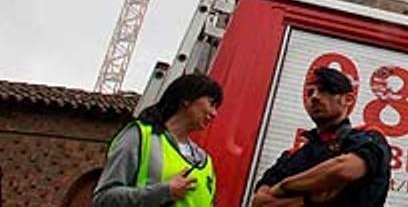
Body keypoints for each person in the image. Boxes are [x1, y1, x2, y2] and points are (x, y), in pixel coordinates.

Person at [252, 67, 391, 206]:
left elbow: (341, 170)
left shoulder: (370, 138)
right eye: (310, 92)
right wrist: (311, 199)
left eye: (324, 90)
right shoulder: (291, 155)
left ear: (348, 99)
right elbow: (259, 202)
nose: (315, 97)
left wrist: (282, 187)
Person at [94, 73, 223, 206]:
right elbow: (103, 199)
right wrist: (163, 192)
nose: (214, 113)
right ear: (187, 99)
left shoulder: (205, 162)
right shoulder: (140, 136)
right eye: (211, 104)